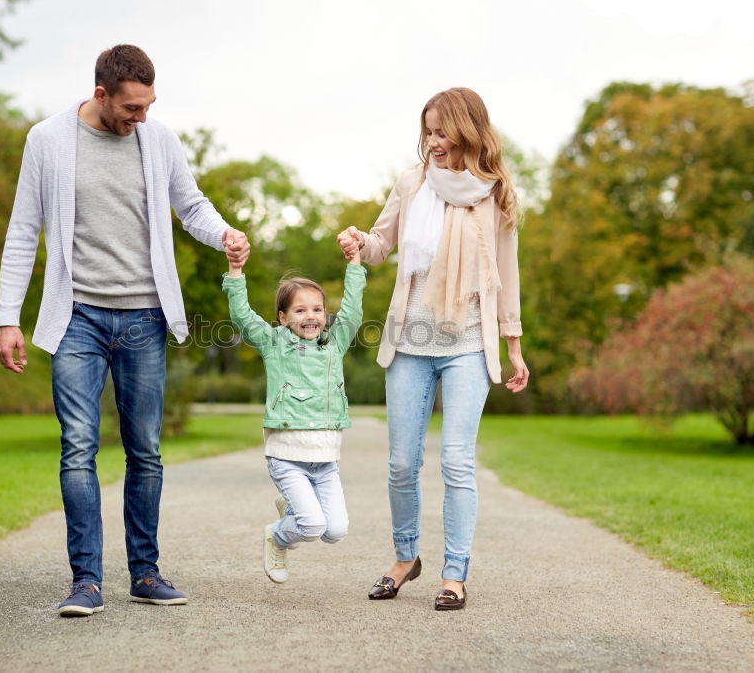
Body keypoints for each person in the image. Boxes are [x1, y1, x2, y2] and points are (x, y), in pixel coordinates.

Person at [0, 44, 249, 616]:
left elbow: (192, 205)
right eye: (132, 107)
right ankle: (86, 580)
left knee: (146, 451)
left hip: (144, 317)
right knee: (78, 448)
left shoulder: (157, 140)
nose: (142, 117)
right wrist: (7, 316)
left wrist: (225, 233)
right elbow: (21, 230)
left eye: (149, 105)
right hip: (76, 316)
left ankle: (145, 573)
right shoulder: (47, 140)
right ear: (101, 94)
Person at [337, 87, 529, 611]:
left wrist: (513, 344)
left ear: (468, 130)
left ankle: (454, 574)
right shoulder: (411, 184)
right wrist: (359, 243)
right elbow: (382, 244)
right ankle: (405, 559)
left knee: (457, 461)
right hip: (412, 340)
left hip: (468, 342)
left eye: (442, 131)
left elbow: (506, 275)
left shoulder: (494, 193)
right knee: (402, 463)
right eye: (428, 131)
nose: (433, 141)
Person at [222, 242, 366, 583]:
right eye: (300, 311)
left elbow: (354, 311)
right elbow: (242, 316)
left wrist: (355, 264)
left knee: (336, 532)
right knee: (312, 525)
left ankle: (293, 515)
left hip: (325, 461)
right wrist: (235, 271)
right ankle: (277, 534)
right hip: (286, 456)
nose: (311, 316)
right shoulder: (273, 343)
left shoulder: (335, 344)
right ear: (283, 318)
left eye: (317, 309)